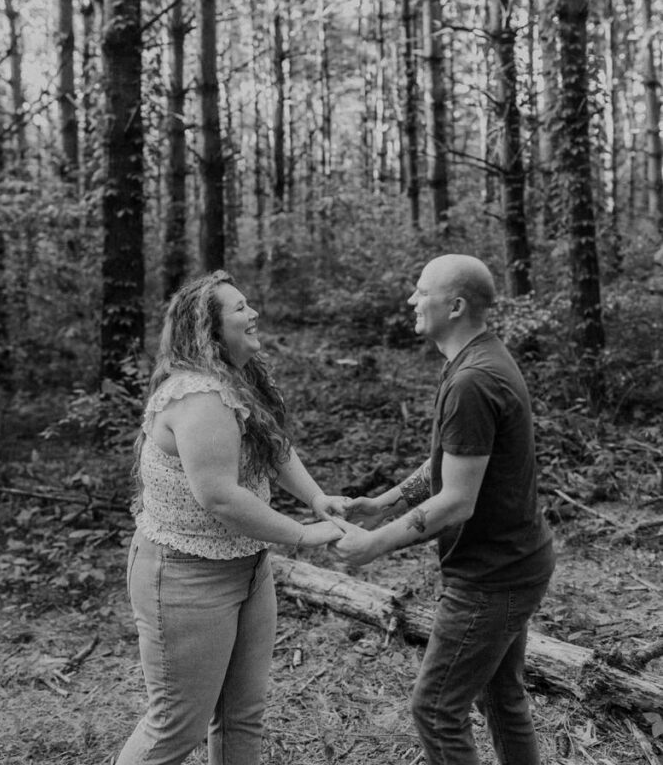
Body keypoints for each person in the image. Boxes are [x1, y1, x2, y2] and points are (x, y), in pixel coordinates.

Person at [114, 270, 346, 765]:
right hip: (185, 577)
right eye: (240, 308)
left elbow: (274, 448)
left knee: (243, 715)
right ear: (209, 327)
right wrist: (304, 535)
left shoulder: (238, 378)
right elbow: (219, 498)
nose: (253, 312)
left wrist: (317, 499)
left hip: (248, 568)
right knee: (176, 725)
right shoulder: (199, 396)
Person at [332, 254, 555, 765]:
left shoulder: (474, 380)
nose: (412, 300)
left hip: (491, 577)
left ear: (454, 306)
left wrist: (374, 544)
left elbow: (456, 501)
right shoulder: (475, 361)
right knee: (501, 697)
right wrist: (383, 503)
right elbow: (450, 462)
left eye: (422, 291)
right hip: (513, 563)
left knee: (435, 710)